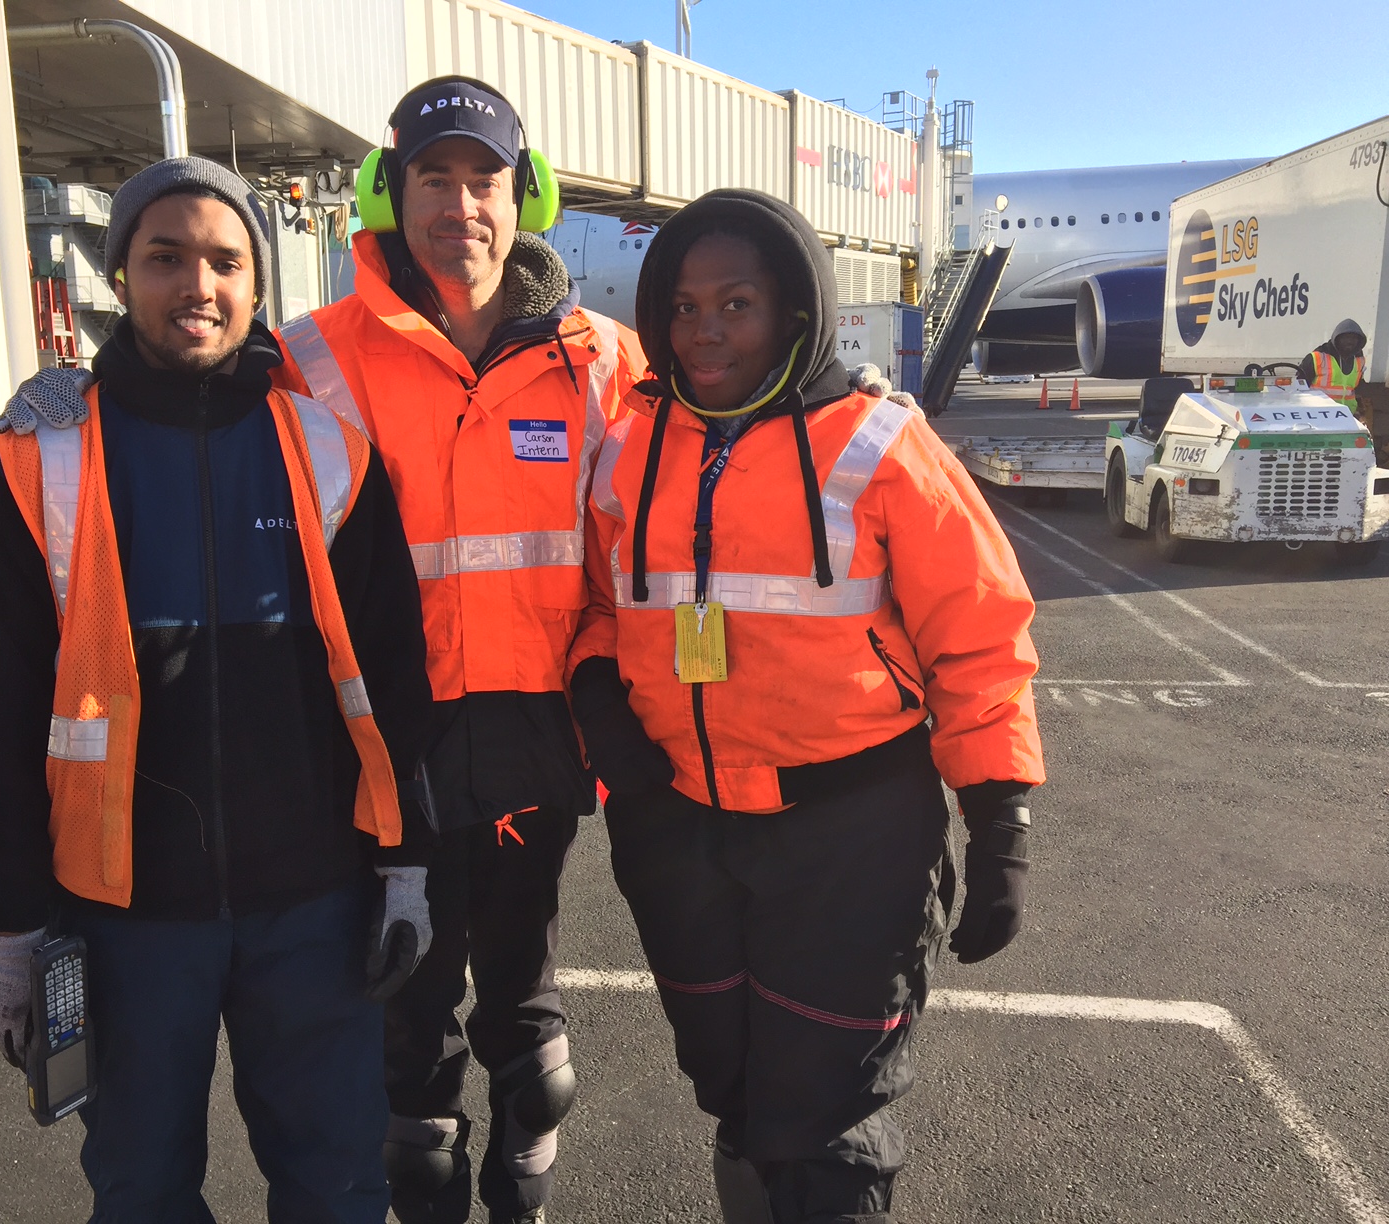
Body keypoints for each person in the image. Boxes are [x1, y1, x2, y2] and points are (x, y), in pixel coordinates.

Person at [0, 155, 435, 1222]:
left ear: (260, 284)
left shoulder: (328, 449)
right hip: (121, 916)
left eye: (224, 260)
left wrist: (405, 865)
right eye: (166, 258)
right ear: (120, 273)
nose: (196, 286)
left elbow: (393, 675)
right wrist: (14, 923)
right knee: (142, 1191)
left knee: (339, 1185)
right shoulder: (36, 457)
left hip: (314, 902)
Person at [567, 189, 1045, 1224]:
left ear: (792, 310)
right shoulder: (631, 443)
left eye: (734, 303)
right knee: (733, 1092)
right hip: (679, 827)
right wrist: (608, 713)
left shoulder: (878, 444)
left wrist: (998, 808)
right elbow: (596, 604)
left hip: (850, 834)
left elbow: (980, 634)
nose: (704, 331)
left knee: (828, 1120)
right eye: (686, 306)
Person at [270, 77, 647, 1224]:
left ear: (520, 195)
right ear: (392, 190)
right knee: (409, 1016)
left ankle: (524, 1188)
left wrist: (847, 386)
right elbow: (180, 401)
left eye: (483, 179)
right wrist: (71, 399)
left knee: (528, 1028)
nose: (460, 206)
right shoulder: (311, 357)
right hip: (390, 742)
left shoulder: (603, 361)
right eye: (433, 178)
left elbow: (718, 449)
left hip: (538, 739)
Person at [1298, 319, 1368, 418]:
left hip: (1347, 416)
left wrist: (1358, 411)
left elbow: (1356, 388)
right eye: (1346, 338)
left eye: (1354, 338)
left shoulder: (1359, 360)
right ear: (1337, 338)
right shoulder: (1317, 357)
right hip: (1319, 415)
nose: (1350, 341)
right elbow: (1299, 388)